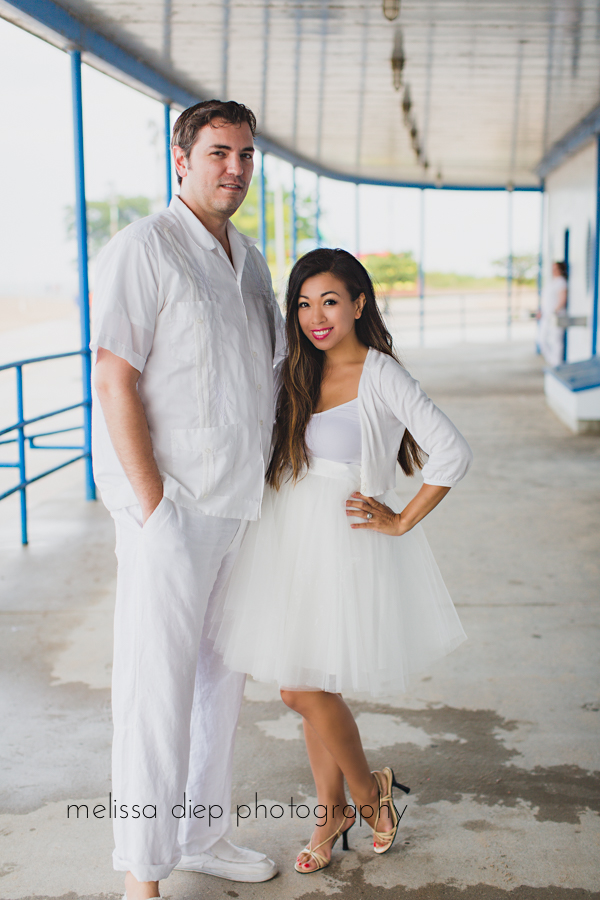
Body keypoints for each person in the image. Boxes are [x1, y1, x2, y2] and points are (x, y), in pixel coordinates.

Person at [210, 248, 473, 873]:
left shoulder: (380, 373)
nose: (315, 316)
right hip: (288, 537)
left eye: (330, 300)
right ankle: (333, 812)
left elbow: (451, 451)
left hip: (342, 540)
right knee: (307, 682)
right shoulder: (294, 368)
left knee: (300, 688)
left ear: (359, 303)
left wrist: (402, 519)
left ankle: (365, 795)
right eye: (303, 303)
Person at [91, 100, 285, 899]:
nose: (234, 168)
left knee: (220, 682)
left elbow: (273, 378)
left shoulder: (254, 262)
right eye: (218, 153)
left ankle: (204, 835)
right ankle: (144, 872)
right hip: (171, 512)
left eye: (245, 155)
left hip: (241, 509)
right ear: (182, 159)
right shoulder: (145, 248)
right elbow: (113, 376)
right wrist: (155, 505)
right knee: (155, 688)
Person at [538, 261, 568, 367]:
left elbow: (562, 299)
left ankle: (557, 363)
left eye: (556, 268)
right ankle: (551, 361)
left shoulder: (561, 282)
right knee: (542, 339)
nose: (553, 270)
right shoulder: (552, 282)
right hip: (546, 315)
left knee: (556, 340)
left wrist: (554, 311)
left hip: (556, 315)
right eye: (552, 268)